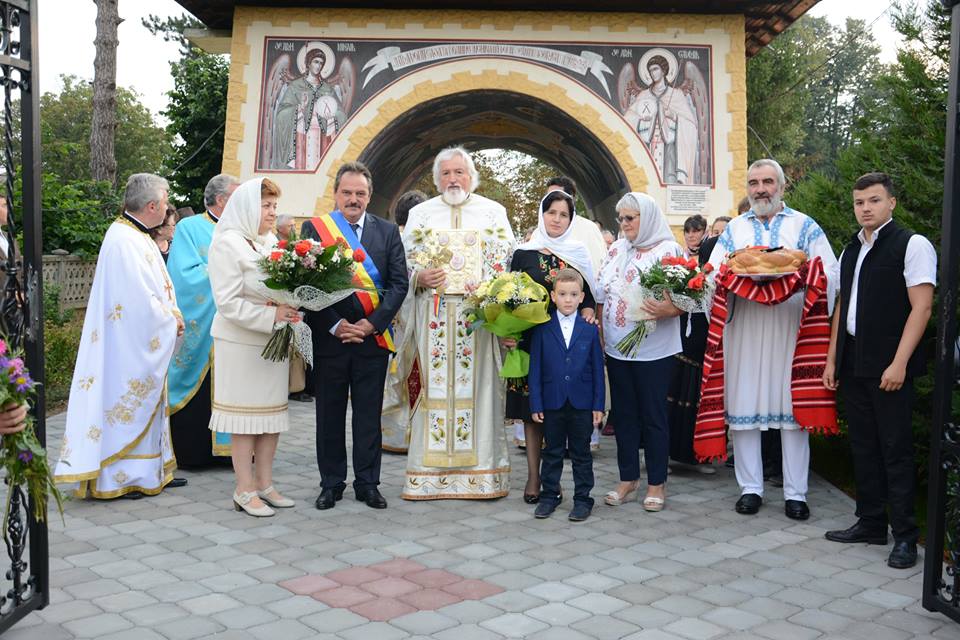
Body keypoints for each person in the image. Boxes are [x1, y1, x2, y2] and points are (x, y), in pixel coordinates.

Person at [703, 159, 839, 520]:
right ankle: (750, 488)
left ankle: (796, 493)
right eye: (754, 183)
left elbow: (830, 271)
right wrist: (722, 280)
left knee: (793, 413)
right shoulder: (735, 229)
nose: (760, 189)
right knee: (743, 409)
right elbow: (713, 274)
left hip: (790, 327)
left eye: (767, 182)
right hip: (745, 328)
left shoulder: (804, 225)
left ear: (781, 186)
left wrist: (806, 277)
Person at [823, 172, 935, 569]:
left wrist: (900, 363)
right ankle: (871, 522)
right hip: (854, 361)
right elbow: (842, 306)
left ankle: (904, 536)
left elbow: (922, 307)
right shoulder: (851, 248)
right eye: (859, 202)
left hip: (890, 364)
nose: (865, 208)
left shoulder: (912, 244)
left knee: (895, 450)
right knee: (864, 446)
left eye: (873, 200)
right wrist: (833, 358)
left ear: (891, 203)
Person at [54, 173, 186, 499]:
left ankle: (149, 471)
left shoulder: (137, 234)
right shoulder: (124, 240)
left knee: (146, 404)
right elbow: (135, 301)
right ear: (152, 206)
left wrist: (170, 315)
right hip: (126, 346)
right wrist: (169, 319)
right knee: (125, 404)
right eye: (165, 201)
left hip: (136, 341)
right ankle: (119, 478)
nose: (167, 207)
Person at [396, 146, 516, 500]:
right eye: (446, 173)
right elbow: (402, 264)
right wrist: (419, 276)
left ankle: (483, 475)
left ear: (471, 177)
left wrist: (486, 287)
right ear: (437, 179)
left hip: (475, 323)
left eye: (459, 172)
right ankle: (427, 477)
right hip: (431, 319)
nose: (453, 179)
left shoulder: (493, 213)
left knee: (480, 392)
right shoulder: (420, 215)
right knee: (432, 392)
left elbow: (506, 262)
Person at [301, 162, 408, 510]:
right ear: (335, 194)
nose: (353, 199)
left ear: (369, 196)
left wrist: (371, 324)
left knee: (368, 416)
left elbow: (398, 284)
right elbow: (306, 286)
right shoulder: (315, 229)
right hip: (330, 338)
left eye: (360, 193)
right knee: (329, 416)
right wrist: (335, 324)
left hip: (371, 341)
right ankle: (331, 484)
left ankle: (368, 483)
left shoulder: (387, 232)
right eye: (347, 192)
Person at [207, 177, 297, 517]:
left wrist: (292, 305)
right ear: (246, 207)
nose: (273, 212)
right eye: (266, 206)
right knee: (245, 420)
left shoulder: (269, 242)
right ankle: (244, 489)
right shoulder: (227, 244)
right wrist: (272, 315)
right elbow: (228, 303)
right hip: (241, 344)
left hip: (273, 341)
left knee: (271, 417)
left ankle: (265, 484)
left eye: (274, 206)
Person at [508, 190, 597, 503]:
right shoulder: (523, 253)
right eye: (552, 213)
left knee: (559, 410)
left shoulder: (577, 253)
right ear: (541, 215)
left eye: (564, 215)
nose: (557, 219)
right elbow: (508, 296)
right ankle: (535, 478)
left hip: (566, 347)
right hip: (530, 342)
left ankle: (556, 478)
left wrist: (589, 311)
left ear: (571, 220)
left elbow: (589, 295)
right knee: (533, 412)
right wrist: (508, 332)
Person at [597, 193, 683, 511]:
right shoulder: (617, 249)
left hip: (654, 351)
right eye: (621, 218)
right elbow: (601, 293)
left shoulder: (668, 250)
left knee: (653, 417)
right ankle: (627, 478)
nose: (624, 224)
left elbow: (689, 299)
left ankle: (657, 483)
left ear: (646, 218)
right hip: (618, 349)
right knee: (624, 416)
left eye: (630, 218)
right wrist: (602, 333)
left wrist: (670, 308)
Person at [168, 173, 240, 469]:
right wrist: (233, 279)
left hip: (235, 326)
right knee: (199, 386)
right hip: (203, 324)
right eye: (236, 197)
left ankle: (231, 451)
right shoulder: (190, 227)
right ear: (221, 200)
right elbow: (184, 274)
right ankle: (194, 453)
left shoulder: (242, 230)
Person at [529, 268, 605, 521]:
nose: (568, 300)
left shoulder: (590, 330)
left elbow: (597, 369)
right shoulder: (542, 328)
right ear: (553, 296)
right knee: (552, 451)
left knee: (581, 453)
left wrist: (598, 405)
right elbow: (536, 368)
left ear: (582, 297)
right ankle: (549, 496)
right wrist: (536, 403)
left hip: (582, 403)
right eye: (562, 294)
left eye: (573, 294)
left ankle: (583, 499)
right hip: (553, 401)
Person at [667, 214, 715, 476]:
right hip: (683, 342)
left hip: (705, 343)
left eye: (696, 231)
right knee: (675, 398)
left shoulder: (713, 269)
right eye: (688, 231)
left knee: (699, 402)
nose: (692, 235)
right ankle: (667, 453)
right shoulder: (681, 262)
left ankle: (698, 456)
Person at [381, 189, 429, 453]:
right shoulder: (413, 242)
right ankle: (412, 434)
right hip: (411, 319)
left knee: (397, 375)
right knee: (412, 373)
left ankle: (393, 434)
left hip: (392, 320)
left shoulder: (388, 238)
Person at [623, 55, 699, 184]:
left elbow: (691, 124)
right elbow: (627, 121)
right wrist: (642, 120)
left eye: (656, 69)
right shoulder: (644, 95)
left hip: (670, 147)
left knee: (670, 178)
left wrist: (674, 116)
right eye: (650, 70)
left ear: (663, 71)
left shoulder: (676, 95)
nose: (653, 73)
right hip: (649, 144)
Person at [271, 45, 346, 170]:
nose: (318, 66)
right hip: (302, 136)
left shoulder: (327, 89)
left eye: (321, 63)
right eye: (316, 62)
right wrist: (299, 108)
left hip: (323, 137)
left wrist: (332, 114)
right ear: (308, 63)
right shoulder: (296, 86)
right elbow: (281, 113)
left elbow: (341, 113)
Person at [546, 176, 608, 275]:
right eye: (548, 197)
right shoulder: (539, 233)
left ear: (571, 199)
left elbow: (597, 266)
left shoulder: (588, 228)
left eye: (557, 196)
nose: (551, 200)